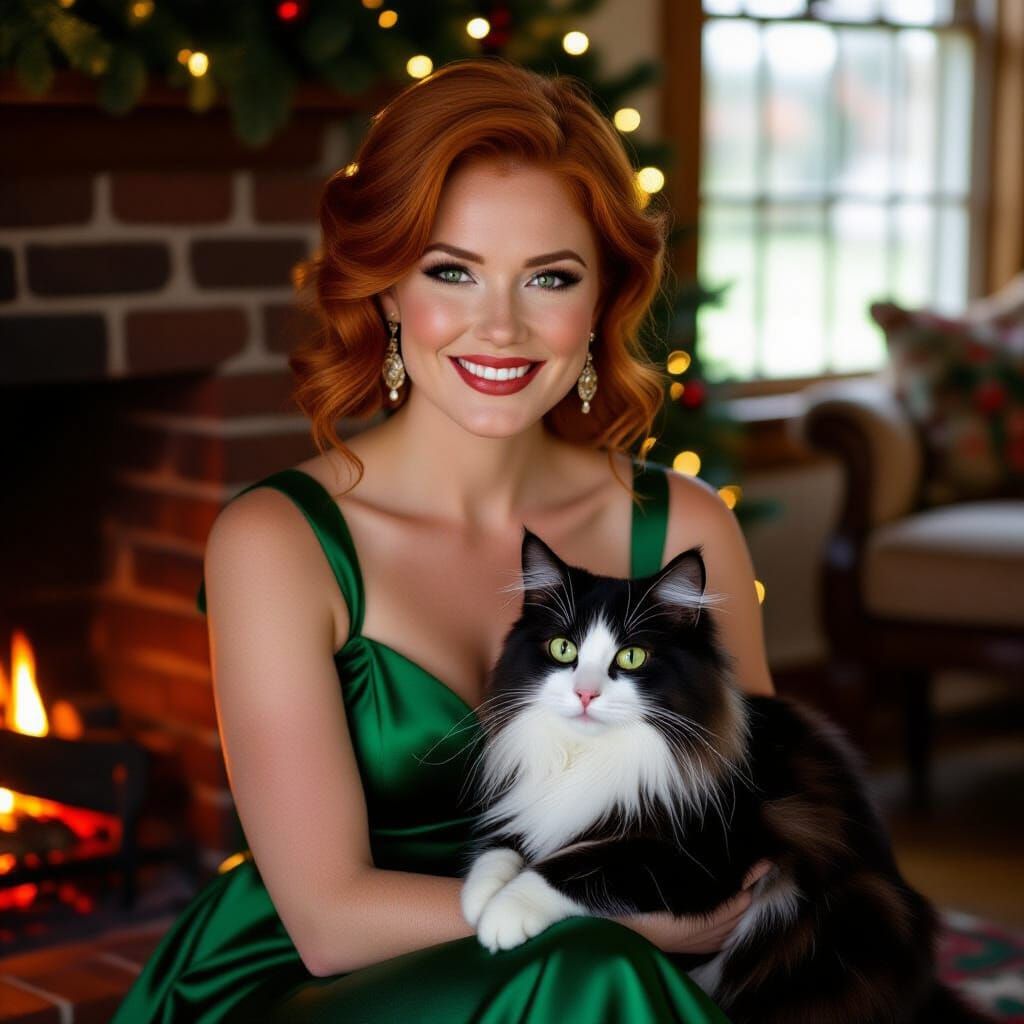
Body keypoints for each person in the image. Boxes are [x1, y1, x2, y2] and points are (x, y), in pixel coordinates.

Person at [112, 56, 775, 1023]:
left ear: (601, 303)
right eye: (452, 271)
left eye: (550, 277)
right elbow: (329, 919)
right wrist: (622, 927)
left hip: (596, 977)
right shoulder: (280, 541)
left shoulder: (682, 524)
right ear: (384, 290)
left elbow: (758, 831)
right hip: (320, 984)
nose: (499, 327)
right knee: (595, 976)